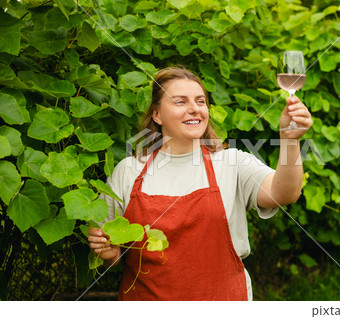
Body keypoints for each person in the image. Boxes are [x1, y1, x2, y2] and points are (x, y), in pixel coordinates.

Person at [88, 66, 312, 301]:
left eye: (200, 101)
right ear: (157, 115)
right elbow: (113, 255)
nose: (194, 109)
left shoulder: (232, 162)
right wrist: (109, 253)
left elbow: (285, 193)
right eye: (180, 102)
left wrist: (289, 140)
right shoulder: (127, 171)